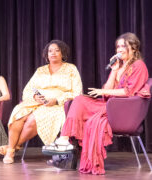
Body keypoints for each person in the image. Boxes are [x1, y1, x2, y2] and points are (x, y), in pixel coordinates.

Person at [54, 32, 150, 175]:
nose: (119, 49)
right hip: (111, 105)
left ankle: (66, 143)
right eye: (118, 46)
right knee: (79, 99)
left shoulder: (138, 65)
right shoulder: (120, 66)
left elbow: (128, 92)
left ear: (134, 48)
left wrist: (101, 92)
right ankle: (64, 139)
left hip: (122, 110)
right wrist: (114, 71)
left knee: (84, 106)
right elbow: (107, 90)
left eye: (124, 46)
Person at [0, 40, 83, 164]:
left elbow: (77, 92)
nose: (53, 53)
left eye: (57, 50)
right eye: (50, 51)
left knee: (33, 119)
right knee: (17, 115)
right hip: (36, 102)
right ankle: (13, 148)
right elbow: (27, 89)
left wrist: (56, 100)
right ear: (46, 54)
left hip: (56, 106)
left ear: (62, 53)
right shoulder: (40, 70)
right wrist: (34, 97)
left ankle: (11, 149)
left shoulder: (71, 69)